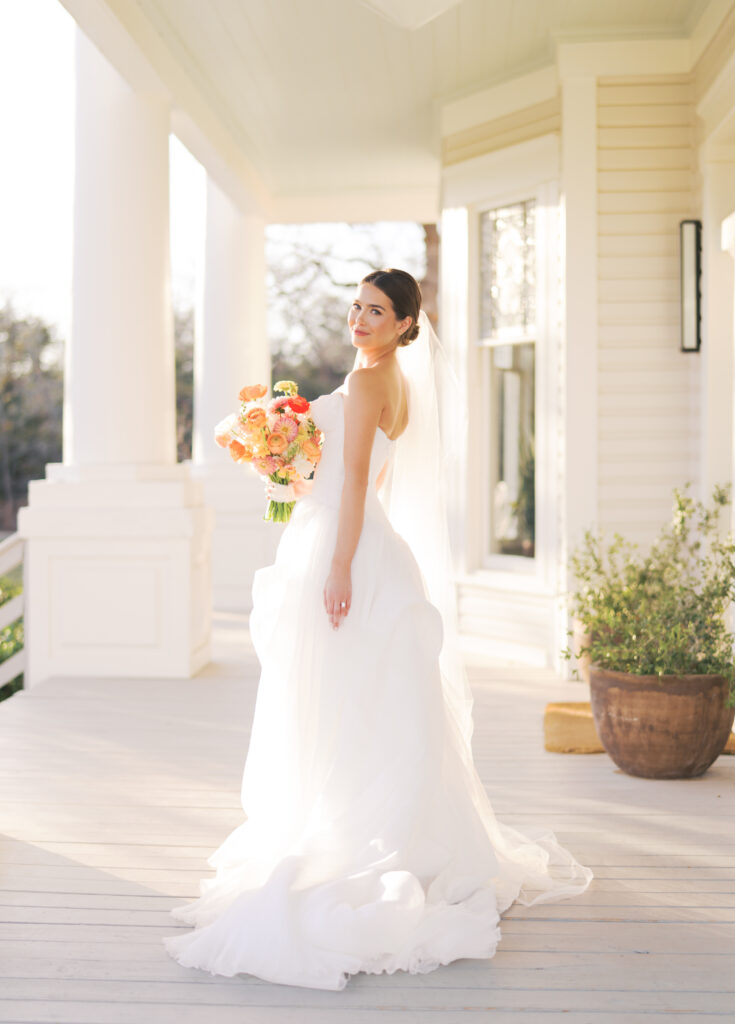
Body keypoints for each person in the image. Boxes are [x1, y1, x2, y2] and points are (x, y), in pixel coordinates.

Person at [163, 268, 592, 989]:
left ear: (404, 324)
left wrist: (339, 566)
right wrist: (283, 468)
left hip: (345, 550)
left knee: (332, 698)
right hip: (350, 537)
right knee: (355, 700)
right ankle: (351, 820)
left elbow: (359, 480)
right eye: (356, 306)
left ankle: (340, 833)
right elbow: (350, 479)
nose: (360, 318)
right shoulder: (388, 381)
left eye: (377, 310)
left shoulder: (368, 384)